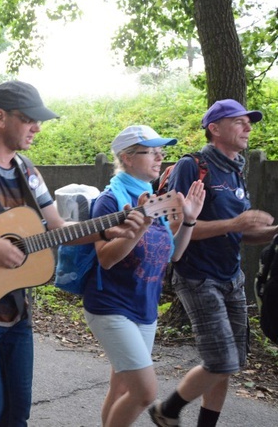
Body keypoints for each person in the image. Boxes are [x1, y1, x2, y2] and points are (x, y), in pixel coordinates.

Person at [0, 80, 142, 426]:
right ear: (0, 117)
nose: (37, 127)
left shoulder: (27, 170)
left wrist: (108, 229)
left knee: (16, 414)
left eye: (39, 120)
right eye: (29, 118)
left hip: (16, 311)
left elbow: (58, 229)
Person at [149, 100, 277, 427]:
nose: (248, 128)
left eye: (250, 122)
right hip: (197, 276)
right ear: (215, 128)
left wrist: (266, 234)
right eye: (239, 122)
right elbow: (176, 226)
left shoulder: (236, 168)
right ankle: (167, 410)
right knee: (221, 360)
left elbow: (235, 232)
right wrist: (236, 224)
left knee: (232, 362)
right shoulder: (192, 166)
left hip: (231, 276)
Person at [82, 125, 205, 427]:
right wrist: (137, 230)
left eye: (160, 151)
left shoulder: (152, 197)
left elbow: (173, 254)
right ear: (126, 157)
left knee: (122, 388)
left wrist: (188, 221)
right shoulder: (110, 201)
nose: (160, 156)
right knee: (145, 392)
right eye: (150, 151)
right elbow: (106, 259)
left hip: (144, 308)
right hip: (111, 307)